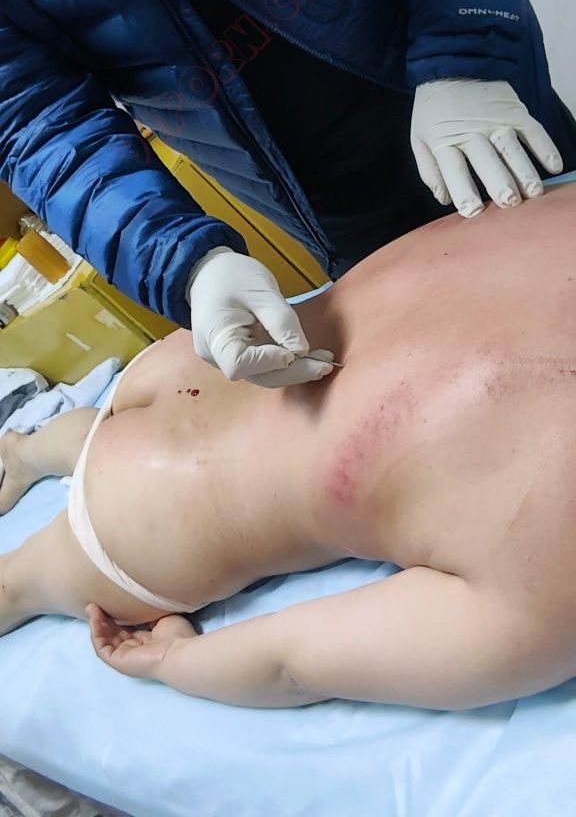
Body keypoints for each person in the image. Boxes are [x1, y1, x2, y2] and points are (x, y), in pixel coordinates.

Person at [1, 0, 576, 388]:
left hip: (478, 113)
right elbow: (32, 120)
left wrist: (464, 51)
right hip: (330, 213)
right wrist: (181, 262)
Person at [2, 179, 576, 711]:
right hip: (164, 500)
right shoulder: (552, 571)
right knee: (12, 587)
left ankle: (25, 452)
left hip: (198, 358)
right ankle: (31, 466)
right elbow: (293, 664)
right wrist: (173, 660)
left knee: (103, 437)